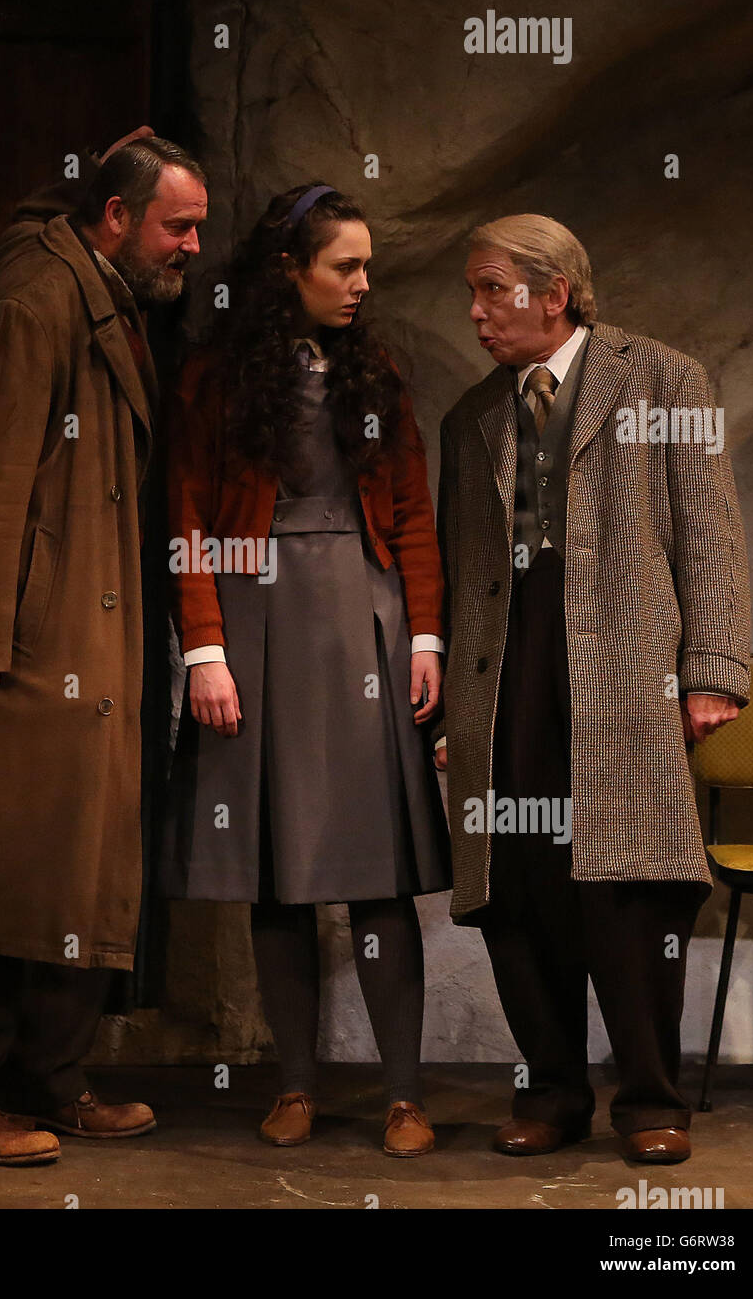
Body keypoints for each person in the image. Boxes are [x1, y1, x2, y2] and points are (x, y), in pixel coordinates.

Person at [0, 132, 208, 1164]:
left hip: (91, 621)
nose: (192, 247)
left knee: (74, 861)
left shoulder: (103, 295)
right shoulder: (39, 296)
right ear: (115, 216)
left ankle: (48, 1074)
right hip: (29, 631)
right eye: (178, 225)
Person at [435, 214, 750, 1164]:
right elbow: (461, 575)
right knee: (516, 881)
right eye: (472, 293)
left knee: (632, 881)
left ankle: (651, 1098)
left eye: (493, 289)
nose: (478, 313)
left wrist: (711, 674)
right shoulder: (472, 416)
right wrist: (460, 708)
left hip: (623, 664)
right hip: (510, 661)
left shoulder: (659, 378)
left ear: (552, 293)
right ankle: (552, 1093)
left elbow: (710, 536)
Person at [161, 183, 451, 1157]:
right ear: (289, 270)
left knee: (377, 877)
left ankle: (405, 1093)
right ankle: (294, 1083)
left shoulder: (378, 374)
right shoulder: (214, 382)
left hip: (359, 617)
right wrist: (204, 648)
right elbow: (190, 524)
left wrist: (422, 636)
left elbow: (411, 510)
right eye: (345, 266)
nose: (363, 283)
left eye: (368, 265)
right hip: (257, 619)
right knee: (279, 876)